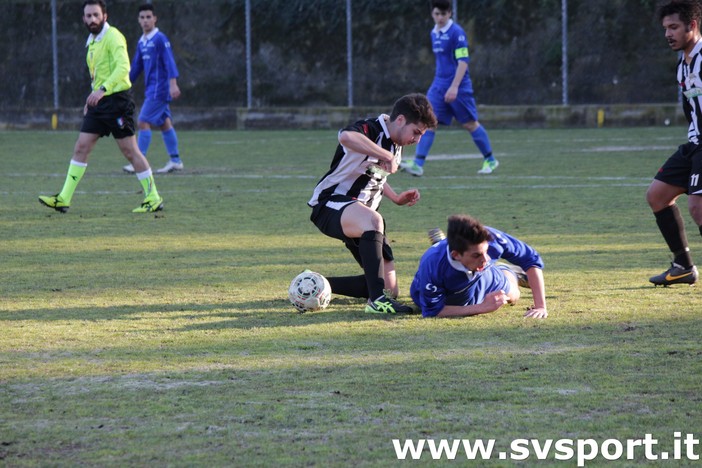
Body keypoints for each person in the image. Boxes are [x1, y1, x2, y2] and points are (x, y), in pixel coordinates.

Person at [308, 94, 438, 314]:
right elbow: (346, 137)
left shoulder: (396, 143)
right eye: (416, 132)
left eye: (421, 135)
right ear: (400, 120)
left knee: (389, 288)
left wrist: (396, 197)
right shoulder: (372, 129)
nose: (417, 140)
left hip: (361, 219)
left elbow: (372, 173)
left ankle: (316, 284)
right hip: (330, 204)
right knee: (373, 220)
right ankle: (376, 302)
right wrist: (384, 154)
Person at [39, 0, 163, 213]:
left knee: (130, 150)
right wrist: (92, 97)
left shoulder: (113, 36)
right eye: (88, 16)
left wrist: (103, 89)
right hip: (100, 102)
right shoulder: (92, 42)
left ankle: (153, 197)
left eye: (96, 15)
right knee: (81, 146)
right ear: (83, 19)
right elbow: (98, 75)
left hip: (117, 102)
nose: (92, 19)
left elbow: (124, 68)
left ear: (105, 16)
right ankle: (64, 199)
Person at [400, 0, 497, 177]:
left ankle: (490, 159)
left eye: (443, 14)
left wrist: (454, 87)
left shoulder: (457, 33)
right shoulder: (434, 32)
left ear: (449, 14)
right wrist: (441, 84)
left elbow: (463, 62)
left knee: (469, 124)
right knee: (428, 122)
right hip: (438, 85)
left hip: (458, 86)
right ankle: (418, 164)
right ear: (432, 14)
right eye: (437, 14)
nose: (440, 18)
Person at [646, 0, 702, 286]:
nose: (668, 34)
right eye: (665, 28)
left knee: (698, 207)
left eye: (674, 27)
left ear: (692, 26)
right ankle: (682, 265)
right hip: (694, 145)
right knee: (657, 196)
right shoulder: (683, 63)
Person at [410, 214, 548, 318]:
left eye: (487, 251)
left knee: (513, 296)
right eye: (477, 255)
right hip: (447, 291)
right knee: (428, 302)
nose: (486, 259)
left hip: (483, 277)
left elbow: (531, 259)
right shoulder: (432, 264)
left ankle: (508, 273)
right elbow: (433, 311)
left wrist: (541, 307)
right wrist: (482, 307)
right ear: (456, 255)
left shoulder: (492, 238)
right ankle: (442, 244)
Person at [122, 3, 183, 175]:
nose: (145, 20)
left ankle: (138, 162)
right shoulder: (142, 42)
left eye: (149, 17)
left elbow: (169, 61)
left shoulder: (160, 39)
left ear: (155, 19)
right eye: (142, 17)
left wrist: (173, 83)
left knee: (142, 121)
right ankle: (175, 160)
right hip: (151, 90)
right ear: (138, 20)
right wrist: (123, 83)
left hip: (160, 89)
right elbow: (136, 68)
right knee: (164, 124)